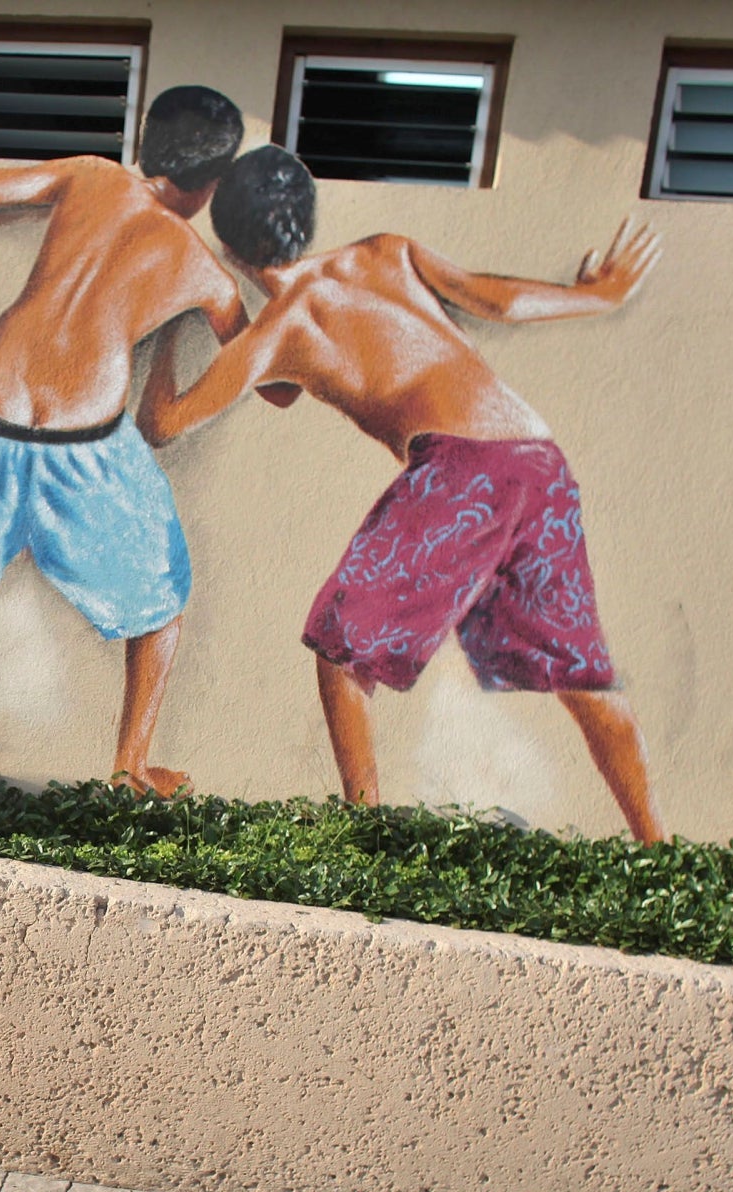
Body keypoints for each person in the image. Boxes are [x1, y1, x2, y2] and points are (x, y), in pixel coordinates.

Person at [138, 147, 668, 841]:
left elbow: (167, 423)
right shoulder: (386, 253)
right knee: (576, 670)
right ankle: (656, 845)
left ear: (231, 249)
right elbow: (497, 300)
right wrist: (597, 294)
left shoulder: (285, 328)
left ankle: (366, 833)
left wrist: (174, 332)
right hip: (537, 458)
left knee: (341, 650)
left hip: (463, 468)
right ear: (306, 218)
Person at [0, 85, 275, 797]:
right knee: (161, 605)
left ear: (146, 145)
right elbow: (271, 382)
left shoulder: (89, 175)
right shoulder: (203, 272)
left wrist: (46, 207)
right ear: (211, 185)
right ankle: (130, 765)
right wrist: (256, 281)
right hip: (83, 449)